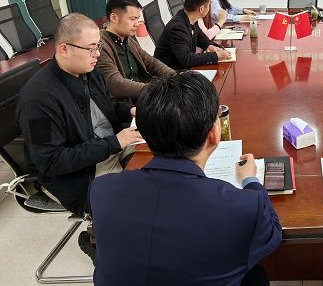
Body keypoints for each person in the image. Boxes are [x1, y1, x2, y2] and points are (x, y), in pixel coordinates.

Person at [90, 72, 282, 285]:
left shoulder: (101, 189)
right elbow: (272, 233)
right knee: (256, 276)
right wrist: (251, 181)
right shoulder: (244, 206)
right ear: (213, 134)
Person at [17, 13, 143, 215]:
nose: (98, 54)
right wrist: (113, 143)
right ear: (64, 49)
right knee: (140, 204)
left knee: (166, 157)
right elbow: (50, 162)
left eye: (98, 46)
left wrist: (131, 110)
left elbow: (106, 107)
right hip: (80, 174)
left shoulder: (89, 71)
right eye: (91, 48)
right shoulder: (37, 100)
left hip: (110, 147)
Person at [96, 0, 176, 102]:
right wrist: (155, 90)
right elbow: (115, 84)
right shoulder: (100, 46)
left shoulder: (128, 40)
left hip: (145, 95)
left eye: (137, 19)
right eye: (132, 19)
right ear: (114, 17)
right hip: (129, 104)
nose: (137, 24)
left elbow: (151, 62)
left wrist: (175, 76)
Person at [154, 0, 232, 69]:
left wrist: (210, 46)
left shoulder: (189, 17)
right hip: (170, 72)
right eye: (209, 5)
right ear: (201, 9)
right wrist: (216, 56)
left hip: (181, 68)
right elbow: (187, 59)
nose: (209, 8)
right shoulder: (178, 27)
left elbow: (201, 37)